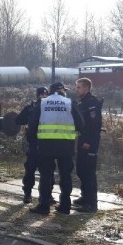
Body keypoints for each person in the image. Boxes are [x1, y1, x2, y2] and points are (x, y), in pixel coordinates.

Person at [28, 82, 84, 215]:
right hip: (66, 145)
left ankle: (44, 206)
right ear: (62, 91)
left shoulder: (42, 103)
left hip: (46, 145)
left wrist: (33, 142)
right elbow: (81, 124)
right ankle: (65, 206)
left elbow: (32, 124)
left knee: (46, 176)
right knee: (65, 176)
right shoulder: (69, 103)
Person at [73, 77, 103, 213]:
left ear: (86, 88)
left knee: (89, 172)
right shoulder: (83, 102)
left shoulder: (92, 103)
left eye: (79, 87)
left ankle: (92, 203)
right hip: (82, 139)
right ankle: (84, 197)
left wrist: (88, 142)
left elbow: (94, 125)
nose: (77, 89)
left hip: (89, 142)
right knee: (81, 170)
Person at [16, 86, 49, 204]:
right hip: (34, 143)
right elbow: (19, 120)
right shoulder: (31, 108)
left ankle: (46, 196)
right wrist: (28, 123)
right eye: (42, 95)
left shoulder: (50, 107)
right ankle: (27, 194)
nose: (44, 97)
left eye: (46, 95)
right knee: (30, 170)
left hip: (46, 144)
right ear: (38, 95)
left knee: (47, 172)